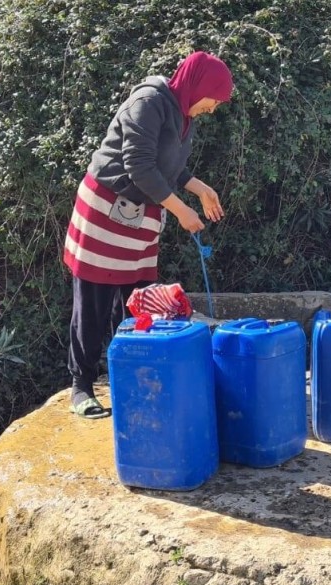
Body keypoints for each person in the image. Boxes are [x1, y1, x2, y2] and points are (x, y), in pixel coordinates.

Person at [63, 51, 233, 418]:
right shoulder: (149, 102)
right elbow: (138, 166)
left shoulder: (184, 112)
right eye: (213, 100)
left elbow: (168, 165)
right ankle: (81, 386)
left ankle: (128, 377)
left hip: (142, 217)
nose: (213, 108)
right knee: (93, 301)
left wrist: (198, 188)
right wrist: (183, 211)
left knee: (139, 300)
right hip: (106, 212)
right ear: (198, 86)